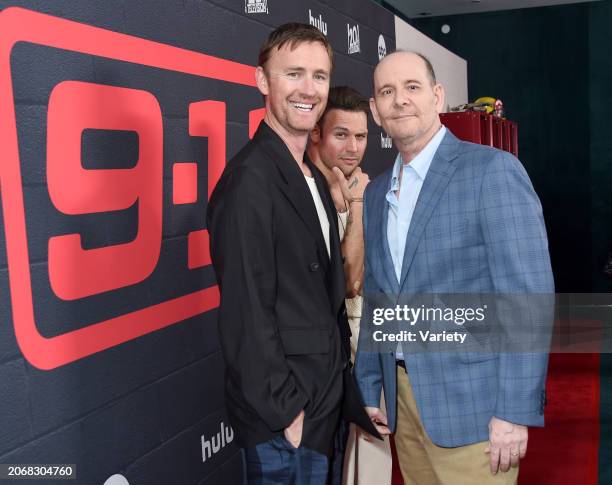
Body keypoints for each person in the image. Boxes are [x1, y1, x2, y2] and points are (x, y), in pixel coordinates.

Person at [354, 50, 554, 485]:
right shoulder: (375, 195)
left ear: (437, 95)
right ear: (375, 110)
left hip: (477, 411)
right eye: (386, 92)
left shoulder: (493, 172)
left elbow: (527, 301)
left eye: (412, 87)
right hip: (403, 408)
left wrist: (514, 411)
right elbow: (379, 298)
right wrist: (369, 386)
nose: (400, 100)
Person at [207, 23, 376, 485]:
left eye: (319, 76)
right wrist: (289, 414)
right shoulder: (249, 181)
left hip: (321, 407)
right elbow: (245, 312)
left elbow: (325, 296)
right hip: (283, 423)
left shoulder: (312, 179)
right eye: (294, 73)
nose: (308, 89)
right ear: (263, 81)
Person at [307, 86, 392, 485]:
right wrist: (357, 205)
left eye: (360, 136)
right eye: (341, 134)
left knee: (367, 470)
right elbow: (351, 282)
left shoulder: (361, 185)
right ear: (317, 134)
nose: (353, 147)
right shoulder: (309, 191)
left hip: (363, 358)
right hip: (323, 369)